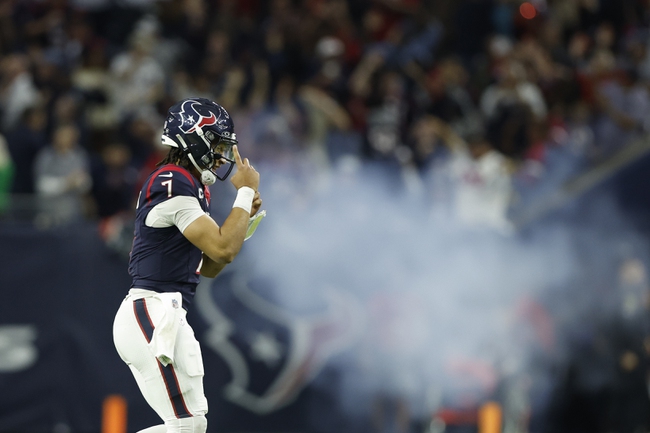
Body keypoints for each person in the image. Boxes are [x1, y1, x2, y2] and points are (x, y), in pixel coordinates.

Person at [112, 97, 262, 433]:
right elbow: (222, 249)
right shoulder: (173, 180)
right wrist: (244, 192)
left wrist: (244, 218)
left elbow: (209, 265)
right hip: (152, 309)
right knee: (185, 426)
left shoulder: (187, 184)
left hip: (165, 311)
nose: (222, 155)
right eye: (217, 145)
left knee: (190, 425)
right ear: (195, 138)